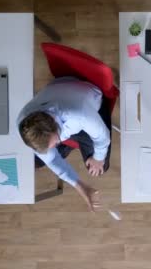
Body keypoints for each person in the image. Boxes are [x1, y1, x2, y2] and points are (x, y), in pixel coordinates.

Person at [17, 77, 112, 211]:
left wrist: (98, 158)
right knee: (38, 160)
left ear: (55, 123)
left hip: (91, 100)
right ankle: (70, 144)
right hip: (60, 90)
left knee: (101, 166)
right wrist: (81, 187)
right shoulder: (24, 123)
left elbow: (103, 137)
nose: (54, 146)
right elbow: (52, 159)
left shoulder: (79, 115)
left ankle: (73, 144)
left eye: (55, 142)